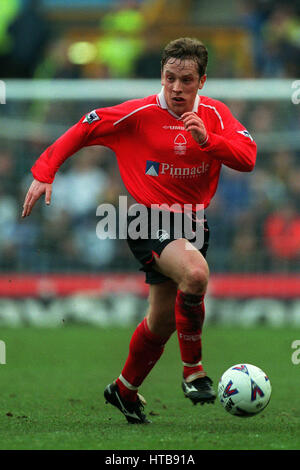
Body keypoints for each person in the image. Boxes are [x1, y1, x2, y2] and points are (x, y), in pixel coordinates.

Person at [22, 37, 257, 424]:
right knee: (196, 275)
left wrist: (208, 141)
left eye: (186, 80)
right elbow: (85, 127)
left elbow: (247, 158)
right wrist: (45, 171)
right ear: (161, 77)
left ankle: (124, 390)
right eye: (169, 79)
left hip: (193, 224)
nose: (176, 88)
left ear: (202, 81)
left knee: (162, 321)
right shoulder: (139, 113)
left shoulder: (215, 115)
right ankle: (193, 371)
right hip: (146, 219)